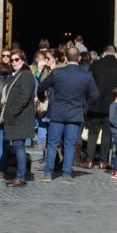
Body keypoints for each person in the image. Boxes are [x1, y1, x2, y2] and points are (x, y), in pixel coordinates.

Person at [37, 46, 99, 182]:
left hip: (57, 113)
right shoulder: (86, 75)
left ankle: (48, 173)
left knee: (52, 143)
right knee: (70, 144)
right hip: (75, 113)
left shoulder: (57, 73)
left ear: (65, 57)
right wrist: (85, 107)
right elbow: (95, 94)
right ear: (79, 58)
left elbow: (41, 87)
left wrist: (41, 98)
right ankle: (66, 174)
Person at [83, 45, 117, 169]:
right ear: (115, 53)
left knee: (92, 133)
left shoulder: (95, 65)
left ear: (104, 52)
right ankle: (103, 161)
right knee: (107, 133)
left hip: (95, 104)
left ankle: (89, 160)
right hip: (112, 105)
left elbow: (87, 83)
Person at [0, 50, 36, 187]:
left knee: (19, 146)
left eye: (17, 60)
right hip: (15, 117)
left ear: (23, 60)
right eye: (12, 60)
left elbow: (24, 97)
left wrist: (12, 112)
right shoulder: (16, 75)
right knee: (17, 146)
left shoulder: (26, 75)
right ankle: (19, 175)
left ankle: (20, 177)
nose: (13, 62)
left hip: (20, 118)